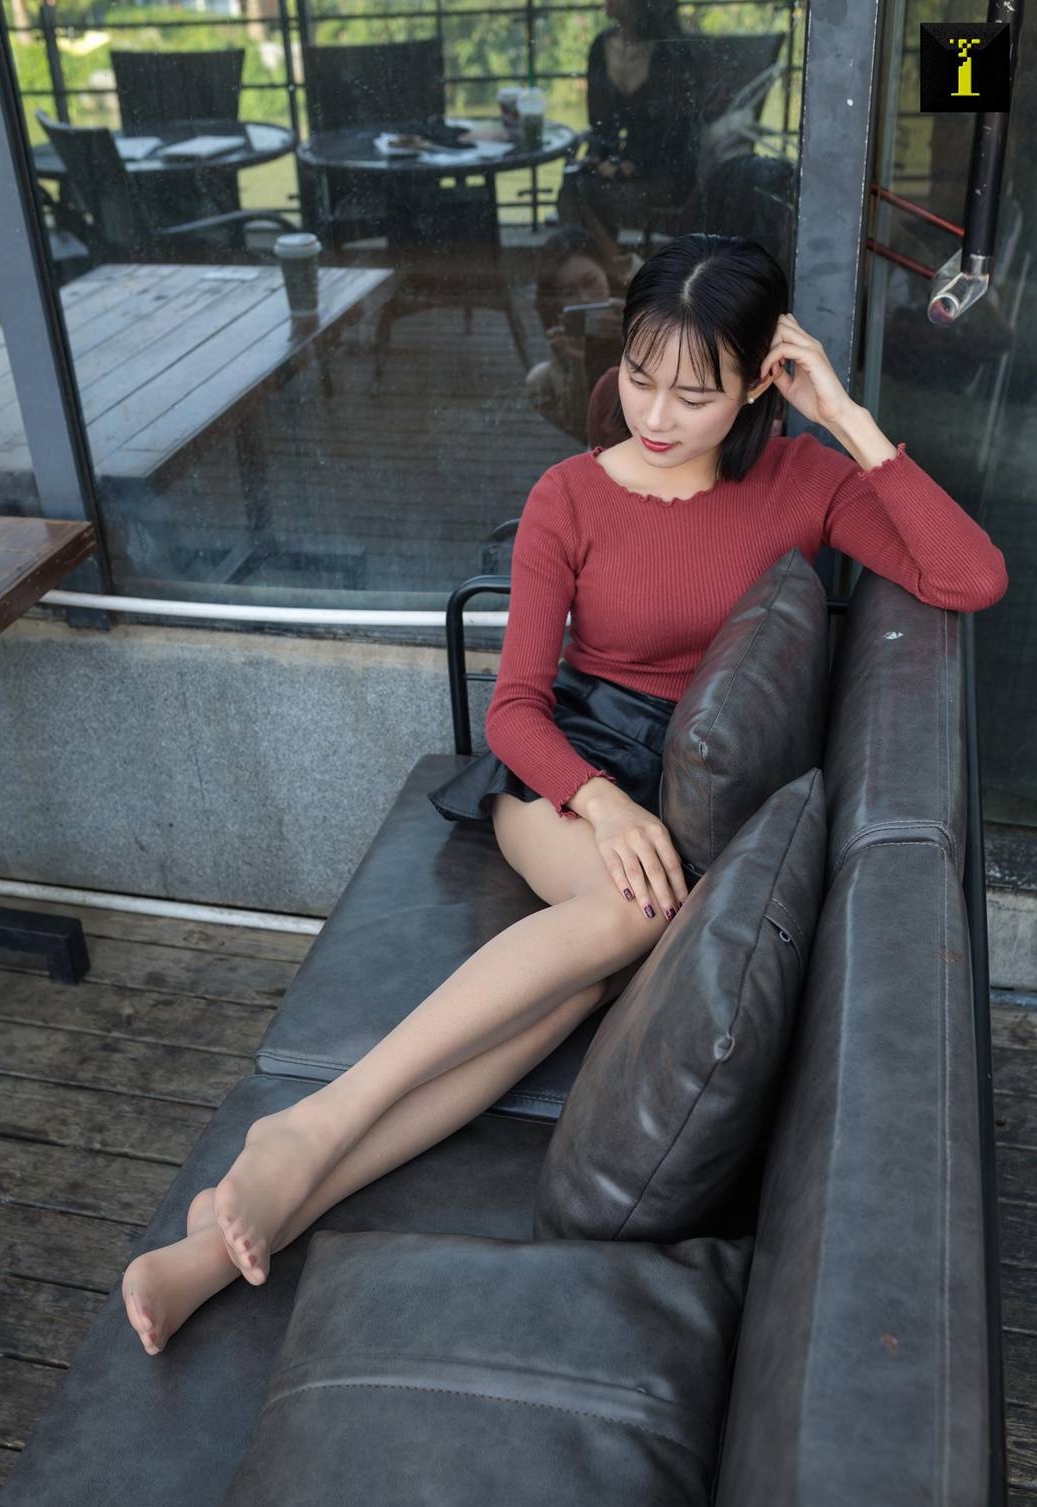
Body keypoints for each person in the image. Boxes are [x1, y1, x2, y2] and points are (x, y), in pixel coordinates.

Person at [121, 232, 1009, 1356]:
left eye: (696, 393)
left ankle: (234, 1226)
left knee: (569, 993)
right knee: (632, 915)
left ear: (758, 384)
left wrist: (842, 413)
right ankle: (311, 1122)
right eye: (639, 375)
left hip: (669, 784)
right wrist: (602, 801)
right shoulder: (571, 494)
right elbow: (513, 710)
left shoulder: (804, 481)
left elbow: (970, 575)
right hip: (564, 769)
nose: (657, 414)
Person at [556, 0, 704, 255]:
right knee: (572, 184)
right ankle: (599, 265)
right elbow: (599, 122)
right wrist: (600, 158)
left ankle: (609, 265)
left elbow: (679, 130)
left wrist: (632, 165)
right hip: (619, 163)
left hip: (663, 170)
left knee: (588, 192)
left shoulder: (670, 51)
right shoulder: (600, 46)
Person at [526, 224, 644, 444]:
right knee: (539, 381)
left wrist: (638, 328)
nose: (585, 298)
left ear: (606, 272)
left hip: (657, 410)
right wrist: (575, 363)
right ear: (556, 300)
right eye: (568, 292)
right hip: (606, 422)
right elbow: (578, 421)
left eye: (591, 282)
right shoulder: (564, 327)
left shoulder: (644, 286)